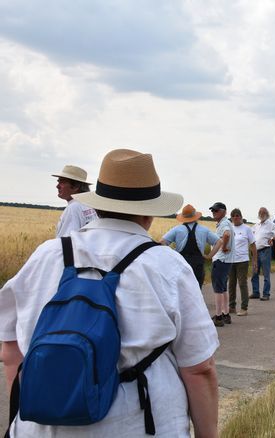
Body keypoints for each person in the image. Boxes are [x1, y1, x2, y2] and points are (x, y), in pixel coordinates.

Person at [0, 148, 219, 437]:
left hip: (38, 427)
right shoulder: (167, 265)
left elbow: (10, 349)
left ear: (98, 204)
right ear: (148, 213)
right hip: (137, 425)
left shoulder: (46, 255)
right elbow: (199, 368)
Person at [160, 204, 218, 289]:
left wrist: (171, 255)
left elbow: (161, 243)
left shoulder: (177, 229)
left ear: (183, 217)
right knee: (197, 291)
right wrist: (209, 256)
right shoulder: (204, 230)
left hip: (181, 265)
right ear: (196, 216)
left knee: (181, 291)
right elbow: (219, 242)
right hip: (198, 265)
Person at [206, 202, 234, 327]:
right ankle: (225, 314)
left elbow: (227, 234)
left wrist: (223, 247)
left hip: (221, 259)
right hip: (226, 261)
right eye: (213, 210)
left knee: (218, 289)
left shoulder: (224, 223)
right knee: (223, 288)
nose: (214, 212)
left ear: (223, 211)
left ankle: (218, 316)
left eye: (216, 210)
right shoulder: (225, 223)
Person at [52, 165, 98, 237]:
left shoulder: (73, 208)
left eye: (62, 182)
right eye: (58, 182)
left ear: (76, 186)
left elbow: (65, 242)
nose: (57, 186)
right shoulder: (90, 205)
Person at [227, 208, 256, 317]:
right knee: (231, 284)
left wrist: (255, 260)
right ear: (231, 217)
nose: (235, 217)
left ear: (241, 216)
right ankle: (232, 306)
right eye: (233, 215)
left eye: (237, 215)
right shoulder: (229, 228)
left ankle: (244, 308)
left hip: (242, 260)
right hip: (230, 260)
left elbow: (253, 245)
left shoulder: (247, 229)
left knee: (242, 283)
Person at [250, 207, 275, 301]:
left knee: (266, 273)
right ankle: (256, 292)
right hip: (256, 252)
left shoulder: (270, 224)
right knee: (254, 272)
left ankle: (266, 294)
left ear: (267, 214)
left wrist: (273, 238)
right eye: (260, 212)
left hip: (265, 250)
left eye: (263, 212)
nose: (261, 213)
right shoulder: (256, 225)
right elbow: (250, 235)